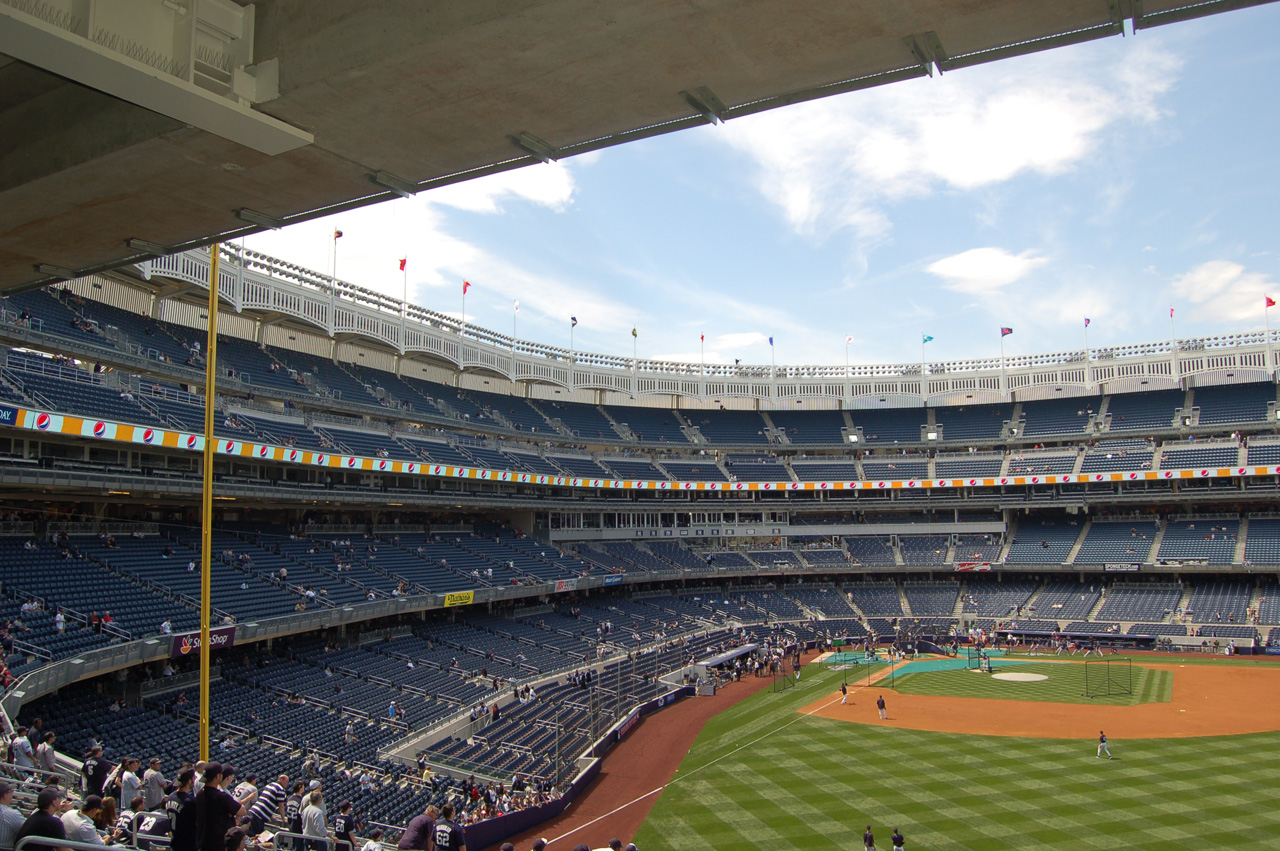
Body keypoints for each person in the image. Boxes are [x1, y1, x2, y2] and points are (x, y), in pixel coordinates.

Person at [196, 763, 245, 851]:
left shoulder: (199, 794)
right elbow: (242, 811)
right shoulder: (221, 796)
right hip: (218, 844)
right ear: (218, 776)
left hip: (203, 843)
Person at [165, 769, 199, 851]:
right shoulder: (189, 801)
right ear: (189, 781)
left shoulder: (170, 797)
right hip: (187, 845)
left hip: (175, 842)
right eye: (194, 778)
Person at [0, 782, 27, 851]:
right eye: (11, 792)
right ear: (4, 796)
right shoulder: (10, 814)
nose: (12, 794)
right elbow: (28, 833)